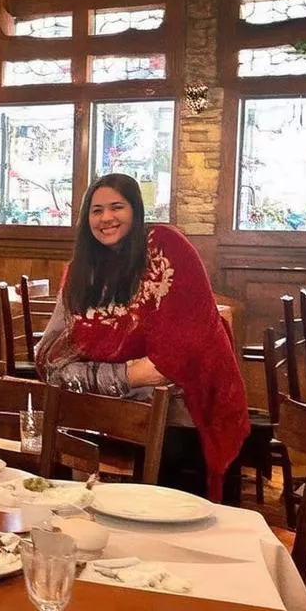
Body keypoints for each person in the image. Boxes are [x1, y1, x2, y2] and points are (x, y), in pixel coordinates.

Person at [36, 173, 250, 502]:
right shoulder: (83, 270)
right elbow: (50, 359)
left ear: (135, 211)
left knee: (170, 506)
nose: (106, 217)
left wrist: (86, 375)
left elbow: (168, 364)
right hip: (104, 411)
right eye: (96, 210)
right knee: (60, 474)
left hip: (182, 414)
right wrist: (125, 374)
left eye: (117, 207)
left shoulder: (166, 250)